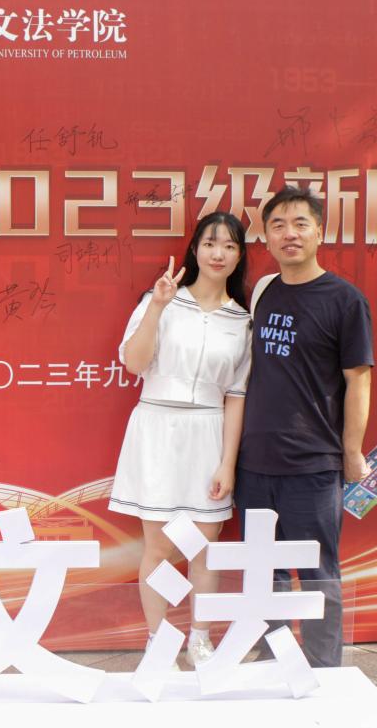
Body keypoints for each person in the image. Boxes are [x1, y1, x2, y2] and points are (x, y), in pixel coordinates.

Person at [235, 185, 373, 668]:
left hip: (313, 465)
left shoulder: (345, 300)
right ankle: (272, 661)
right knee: (263, 572)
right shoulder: (264, 291)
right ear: (266, 238)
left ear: (319, 232)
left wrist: (351, 452)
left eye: (300, 224)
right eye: (278, 225)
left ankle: (323, 669)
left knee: (317, 572)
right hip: (254, 463)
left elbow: (359, 380)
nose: (289, 234)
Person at [108, 212, 251, 667]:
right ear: (195, 249)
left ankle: (200, 639)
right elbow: (134, 363)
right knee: (160, 546)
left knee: (203, 546)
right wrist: (156, 306)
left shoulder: (242, 320)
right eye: (210, 243)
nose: (218, 254)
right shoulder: (162, 300)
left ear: (239, 256)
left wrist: (227, 462)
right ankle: (158, 640)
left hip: (208, 432)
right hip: (157, 427)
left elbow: (236, 396)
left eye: (229, 246)